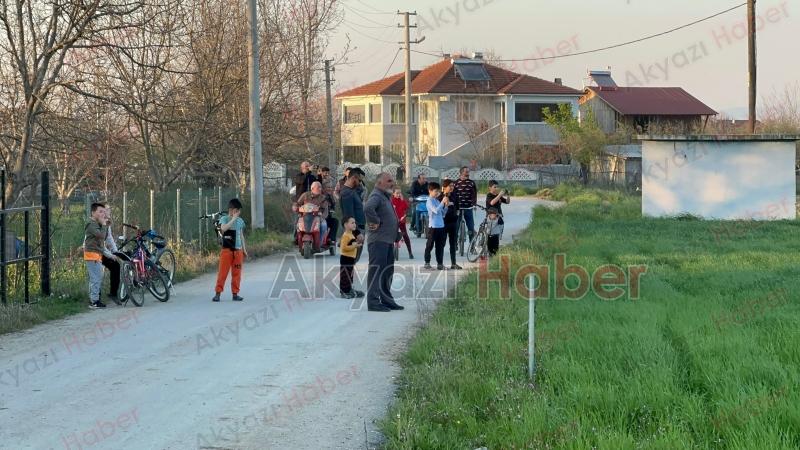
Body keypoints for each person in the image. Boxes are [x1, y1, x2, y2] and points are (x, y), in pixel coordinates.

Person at [363, 172, 403, 312]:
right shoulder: (376, 195)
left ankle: (386, 300)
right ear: (379, 183)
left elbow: (390, 217)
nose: (392, 183)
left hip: (387, 240)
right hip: (378, 241)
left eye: (392, 180)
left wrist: (396, 232)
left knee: (387, 272)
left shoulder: (385, 196)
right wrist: (375, 221)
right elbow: (368, 208)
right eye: (389, 181)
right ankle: (373, 303)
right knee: (377, 271)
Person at [213, 199, 248, 302]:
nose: (238, 213)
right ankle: (218, 293)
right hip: (227, 250)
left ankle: (235, 293)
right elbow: (223, 229)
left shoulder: (240, 221)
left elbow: (241, 235)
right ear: (232, 210)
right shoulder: (224, 219)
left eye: (239, 211)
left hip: (238, 251)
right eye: (237, 210)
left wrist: (244, 249)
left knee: (237, 273)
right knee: (222, 272)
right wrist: (233, 219)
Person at [83, 203, 115, 308]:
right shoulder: (91, 224)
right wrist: (104, 225)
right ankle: (94, 302)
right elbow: (101, 236)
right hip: (91, 255)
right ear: (93, 212)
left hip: (97, 254)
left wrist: (105, 225)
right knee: (95, 278)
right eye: (100, 212)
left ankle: (94, 299)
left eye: (104, 212)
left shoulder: (97, 224)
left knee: (97, 277)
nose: (102, 214)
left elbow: (103, 239)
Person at [340, 168, 366, 258]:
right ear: (354, 178)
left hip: (357, 228)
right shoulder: (347, 193)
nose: (360, 183)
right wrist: (357, 233)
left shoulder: (352, 191)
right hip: (354, 231)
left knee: (353, 260)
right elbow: (349, 215)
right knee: (351, 260)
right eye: (359, 180)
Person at [423, 182, 449, 271]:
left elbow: (443, 214)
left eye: (438, 191)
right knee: (429, 245)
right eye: (435, 191)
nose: (437, 193)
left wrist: (446, 205)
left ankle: (440, 264)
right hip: (433, 227)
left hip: (441, 226)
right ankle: (427, 263)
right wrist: (442, 202)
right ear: (430, 191)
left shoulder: (437, 200)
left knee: (440, 246)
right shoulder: (429, 201)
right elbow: (436, 211)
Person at [339, 216, 365, 299]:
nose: (355, 225)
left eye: (355, 223)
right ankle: (344, 291)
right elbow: (344, 248)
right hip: (345, 258)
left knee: (350, 274)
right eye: (352, 223)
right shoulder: (346, 235)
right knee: (345, 275)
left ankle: (349, 289)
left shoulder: (351, 234)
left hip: (351, 258)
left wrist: (356, 244)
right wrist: (355, 246)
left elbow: (351, 244)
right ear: (346, 225)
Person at [101, 206, 121, 305]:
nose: (110, 211)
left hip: (101, 251)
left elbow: (109, 238)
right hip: (94, 252)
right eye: (108, 209)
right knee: (98, 274)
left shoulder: (107, 223)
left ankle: (113, 293)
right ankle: (96, 299)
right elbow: (99, 244)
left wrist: (115, 252)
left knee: (116, 266)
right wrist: (110, 255)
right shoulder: (98, 223)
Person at [440, 179, 461, 270]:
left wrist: (456, 215)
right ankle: (440, 263)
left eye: (453, 186)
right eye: (450, 186)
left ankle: (453, 263)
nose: (452, 187)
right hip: (443, 223)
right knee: (442, 244)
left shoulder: (454, 195)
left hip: (453, 222)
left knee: (453, 243)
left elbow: (458, 207)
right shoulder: (440, 196)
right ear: (444, 187)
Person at [486, 180, 510, 256]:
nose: (496, 188)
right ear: (490, 188)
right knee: (491, 235)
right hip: (491, 218)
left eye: (497, 187)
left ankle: (494, 252)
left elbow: (507, 202)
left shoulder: (498, 195)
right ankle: (490, 252)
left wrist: (508, 195)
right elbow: (492, 202)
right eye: (494, 187)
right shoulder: (489, 195)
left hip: (498, 217)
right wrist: (499, 195)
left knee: (496, 235)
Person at [453, 166, 478, 241]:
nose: (468, 173)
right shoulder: (455, 183)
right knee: (456, 226)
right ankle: (455, 244)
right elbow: (453, 195)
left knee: (471, 227)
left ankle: (472, 244)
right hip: (458, 208)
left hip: (468, 208)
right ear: (461, 173)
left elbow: (474, 195)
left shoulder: (471, 183)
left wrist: (474, 204)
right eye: (466, 171)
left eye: (468, 171)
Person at [391, 188, 413, 259]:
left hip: (401, 220)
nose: (398, 194)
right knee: (390, 236)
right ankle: (390, 252)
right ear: (393, 194)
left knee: (405, 235)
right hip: (393, 221)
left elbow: (406, 207)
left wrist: (403, 200)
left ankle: (410, 252)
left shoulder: (402, 200)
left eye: (399, 193)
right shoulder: (391, 201)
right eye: (397, 193)